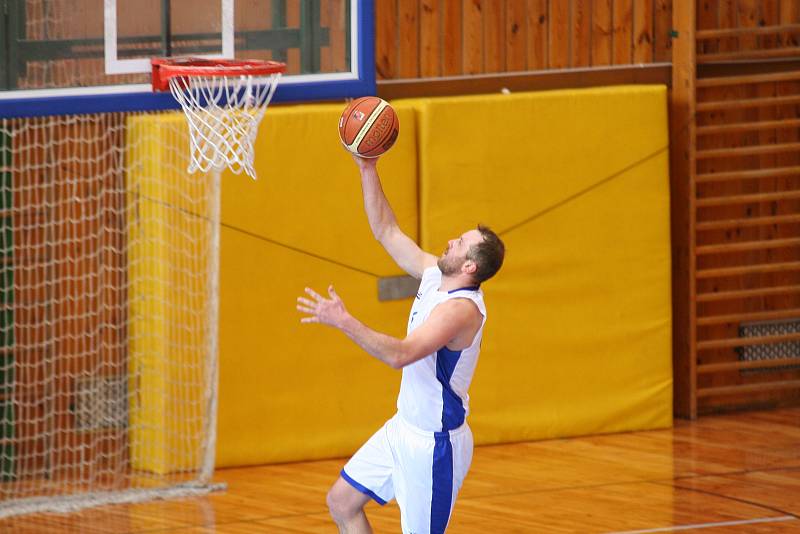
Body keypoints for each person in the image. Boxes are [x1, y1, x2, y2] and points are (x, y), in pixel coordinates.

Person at [296, 154, 505, 534]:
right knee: (342, 503)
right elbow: (387, 230)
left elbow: (400, 354)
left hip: (434, 447)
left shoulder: (460, 311)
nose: (450, 241)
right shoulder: (433, 277)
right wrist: (367, 168)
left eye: (459, 243)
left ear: (470, 266)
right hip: (403, 428)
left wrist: (344, 320)